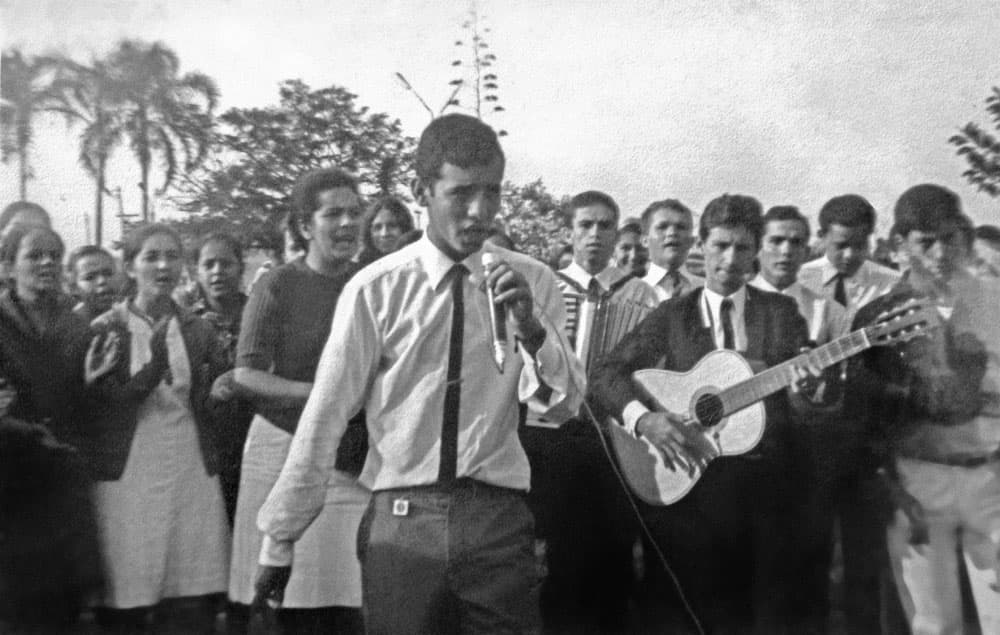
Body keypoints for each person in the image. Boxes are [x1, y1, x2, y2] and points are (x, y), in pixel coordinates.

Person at [254, 113, 584, 634]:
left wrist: (532, 329)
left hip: (496, 518)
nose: (480, 211)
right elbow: (327, 412)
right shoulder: (375, 288)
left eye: (492, 193)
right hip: (401, 520)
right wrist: (280, 537)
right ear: (420, 191)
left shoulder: (533, 282)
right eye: (461, 193)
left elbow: (561, 406)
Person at [591, 194, 821, 633]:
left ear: (756, 251)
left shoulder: (782, 313)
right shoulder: (673, 314)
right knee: (687, 614)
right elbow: (605, 374)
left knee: (765, 616)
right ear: (702, 246)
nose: (730, 259)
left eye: (741, 248)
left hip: (768, 489)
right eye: (720, 246)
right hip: (693, 486)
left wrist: (808, 389)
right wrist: (646, 419)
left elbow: (799, 405)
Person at [849, 184, 1000, 635]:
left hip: (992, 480)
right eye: (925, 241)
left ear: (967, 238)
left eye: (950, 238)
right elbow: (864, 415)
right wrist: (889, 484)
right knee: (935, 623)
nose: (939, 252)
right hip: (917, 482)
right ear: (900, 245)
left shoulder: (995, 305)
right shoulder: (877, 317)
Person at [226, 168, 369, 634]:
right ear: (306, 226)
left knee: (348, 596)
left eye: (354, 212)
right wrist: (320, 396)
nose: (348, 223)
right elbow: (245, 374)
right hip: (279, 449)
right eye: (333, 214)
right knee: (279, 602)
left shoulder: (370, 285)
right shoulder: (278, 285)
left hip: (349, 454)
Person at [87, 223, 232, 634]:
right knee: (128, 588)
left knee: (190, 593)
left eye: (171, 256)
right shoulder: (105, 327)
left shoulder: (199, 329)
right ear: (130, 267)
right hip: (127, 471)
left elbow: (208, 403)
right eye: (151, 257)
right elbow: (98, 405)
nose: (163, 265)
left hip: (189, 465)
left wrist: (221, 393)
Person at [532, 190, 658, 633]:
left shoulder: (643, 294)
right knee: (554, 556)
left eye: (606, 225)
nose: (595, 235)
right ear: (570, 231)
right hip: (552, 436)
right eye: (585, 225)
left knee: (612, 555)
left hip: (614, 437)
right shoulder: (544, 285)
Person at [798, 193, 903, 633]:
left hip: (864, 436)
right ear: (821, 237)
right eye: (838, 244)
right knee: (810, 551)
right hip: (810, 434)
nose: (848, 255)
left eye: (858, 245)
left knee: (864, 554)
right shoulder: (799, 280)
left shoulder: (892, 283)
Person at [0, 225, 114, 632]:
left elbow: (85, 410)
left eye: (54, 254)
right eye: (35, 255)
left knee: (65, 606)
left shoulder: (76, 326)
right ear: (8, 266)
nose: (47, 262)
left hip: (62, 483)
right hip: (11, 484)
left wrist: (91, 383)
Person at [749, 205, 850, 631]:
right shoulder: (729, 301)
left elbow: (842, 390)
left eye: (795, 241)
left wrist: (818, 389)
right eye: (776, 240)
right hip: (744, 458)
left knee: (805, 574)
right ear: (760, 246)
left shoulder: (828, 312)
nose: (785, 251)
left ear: (808, 247)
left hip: (804, 457)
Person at [187, 232, 251, 525]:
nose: (217, 272)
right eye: (208, 264)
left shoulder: (260, 314)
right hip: (204, 446)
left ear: (240, 267)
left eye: (225, 264)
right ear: (196, 271)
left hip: (254, 440)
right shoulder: (185, 323)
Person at [639, 199, 704, 302]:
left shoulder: (707, 291)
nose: (672, 233)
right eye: (662, 227)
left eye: (681, 227)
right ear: (645, 240)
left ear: (692, 241)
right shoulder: (631, 294)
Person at [355, 196, 415, 266]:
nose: (384, 234)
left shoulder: (416, 262)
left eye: (392, 226)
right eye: (377, 227)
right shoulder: (359, 268)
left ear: (404, 228)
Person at [68, 245, 119, 323]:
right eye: (90, 277)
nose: (102, 281)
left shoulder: (128, 318)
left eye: (108, 274)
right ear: (74, 287)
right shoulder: (67, 327)